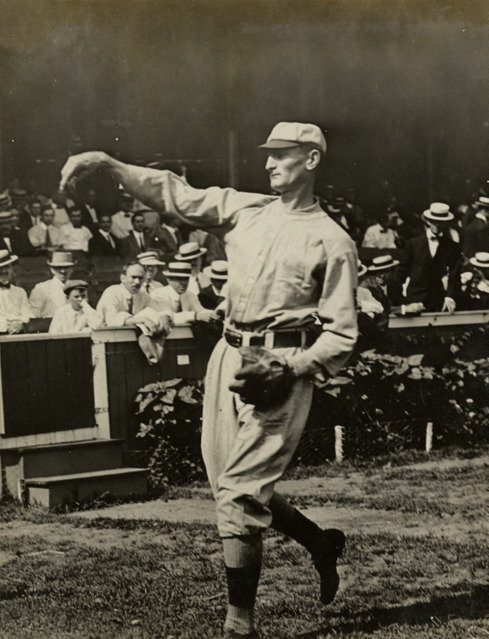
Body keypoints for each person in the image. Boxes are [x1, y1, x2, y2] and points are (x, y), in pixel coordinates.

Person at [60, 121, 359, 639]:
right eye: (268, 154)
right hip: (229, 355)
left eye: (282, 154)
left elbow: (342, 335)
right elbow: (175, 194)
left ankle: (238, 625)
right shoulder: (246, 210)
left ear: (311, 160)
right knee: (230, 487)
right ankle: (320, 542)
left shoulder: (332, 240)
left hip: (281, 367)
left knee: (239, 496)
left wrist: (292, 367)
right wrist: (110, 165)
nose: (269, 162)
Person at [397, 203, 461, 313]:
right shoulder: (413, 244)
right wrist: (401, 302)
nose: (437, 225)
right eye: (434, 221)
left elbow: (454, 275)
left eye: (441, 222)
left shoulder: (452, 247)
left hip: (438, 300)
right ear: (428, 221)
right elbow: (401, 272)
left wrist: (449, 297)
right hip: (414, 300)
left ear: (446, 223)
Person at [96, 260, 172, 331]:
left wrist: (164, 316)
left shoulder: (143, 295)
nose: (137, 282)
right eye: (133, 277)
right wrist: (143, 320)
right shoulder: (112, 292)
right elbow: (112, 321)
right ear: (123, 278)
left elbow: (157, 309)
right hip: (107, 335)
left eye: (141, 278)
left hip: (132, 335)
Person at [149, 261, 219, 326]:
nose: (183, 282)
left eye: (186, 279)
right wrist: (195, 315)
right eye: (179, 278)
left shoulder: (190, 295)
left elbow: (201, 311)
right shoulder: (158, 294)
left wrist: (215, 313)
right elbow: (167, 317)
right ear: (169, 279)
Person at [29, 251, 75, 318]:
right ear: (52, 270)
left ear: (72, 269)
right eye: (59, 267)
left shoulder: (78, 287)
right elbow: (34, 315)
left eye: (66, 267)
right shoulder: (41, 288)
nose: (63, 271)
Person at [0, 250, 34, 334]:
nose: (4, 271)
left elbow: (28, 314)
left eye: (6, 267)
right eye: (0, 268)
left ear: (11, 269)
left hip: (18, 332)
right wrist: (7, 325)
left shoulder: (20, 292)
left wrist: (19, 324)